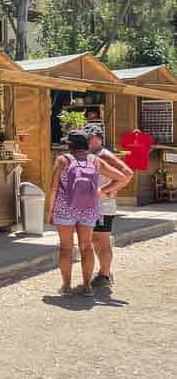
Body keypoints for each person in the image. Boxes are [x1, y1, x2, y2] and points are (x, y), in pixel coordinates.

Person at [47, 130, 127, 297]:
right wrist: (102, 192)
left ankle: (66, 287)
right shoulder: (95, 160)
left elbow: (53, 188)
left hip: (65, 208)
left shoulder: (63, 160)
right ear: (86, 145)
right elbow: (122, 177)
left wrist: (50, 210)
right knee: (86, 247)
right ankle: (86, 287)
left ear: (69, 145)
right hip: (89, 208)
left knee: (66, 248)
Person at [86, 125, 133, 289]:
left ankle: (105, 275)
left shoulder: (103, 154)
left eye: (88, 138)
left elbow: (127, 174)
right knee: (96, 239)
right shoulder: (97, 154)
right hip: (99, 205)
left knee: (102, 240)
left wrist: (106, 191)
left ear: (95, 138)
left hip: (103, 205)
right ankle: (104, 272)